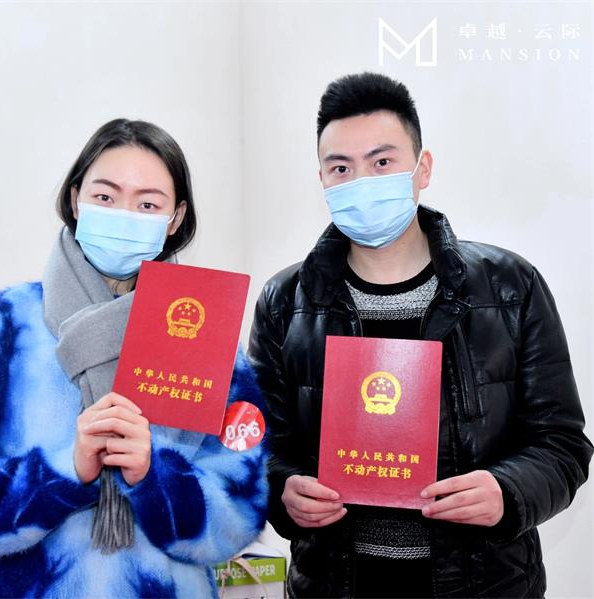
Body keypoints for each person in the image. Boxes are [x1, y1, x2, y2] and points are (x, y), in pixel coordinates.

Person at [248, 72, 592, 598]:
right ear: (322, 179)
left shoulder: (509, 287)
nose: (361, 182)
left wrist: (507, 491)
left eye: (382, 162)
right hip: (334, 584)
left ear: (422, 167)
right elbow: (261, 444)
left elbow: (563, 443)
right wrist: (282, 490)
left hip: (483, 584)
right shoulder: (285, 301)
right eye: (341, 168)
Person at [0, 118, 268, 598]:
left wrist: (155, 475)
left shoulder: (207, 336)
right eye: (105, 196)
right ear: (76, 199)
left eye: (147, 204)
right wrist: (64, 470)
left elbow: (243, 509)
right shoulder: (7, 324)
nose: (125, 214)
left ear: (175, 217)